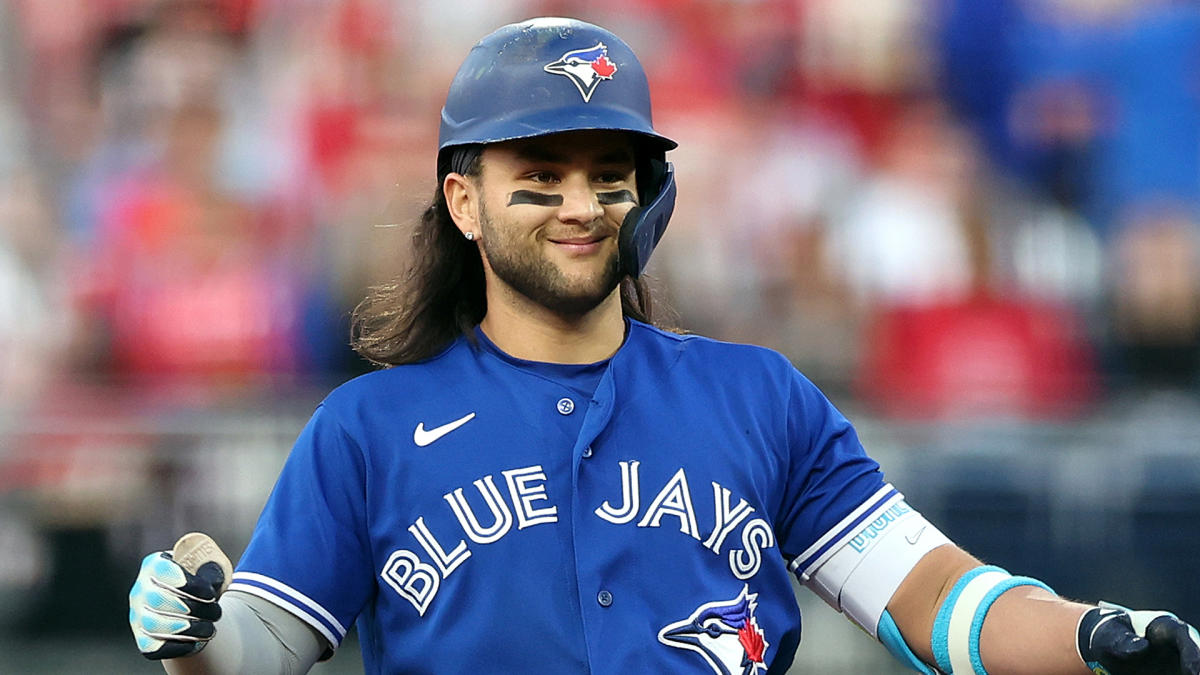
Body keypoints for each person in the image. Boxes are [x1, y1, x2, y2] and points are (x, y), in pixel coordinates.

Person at [128, 17, 1200, 675]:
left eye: (610, 172)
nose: (579, 203)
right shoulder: (368, 427)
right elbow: (262, 647)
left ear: (648, 192)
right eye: (537, 174)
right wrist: (190, 628)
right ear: (462, 199)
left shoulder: (757, 398)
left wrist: (1086, 633)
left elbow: (931, 599)